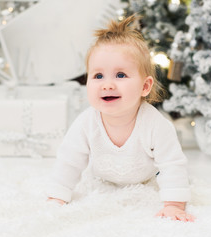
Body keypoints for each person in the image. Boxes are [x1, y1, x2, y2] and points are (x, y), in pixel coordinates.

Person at [47, 15, 194, 222]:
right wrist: (57, 196)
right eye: (98, 76)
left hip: (145, 179)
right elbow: (69, 161)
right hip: (102, 179)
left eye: (120, 75)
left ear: (145, 86)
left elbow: (172, 164)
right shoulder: (86, 123)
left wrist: (174, 205)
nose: (107, 85)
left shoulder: (155, 124)